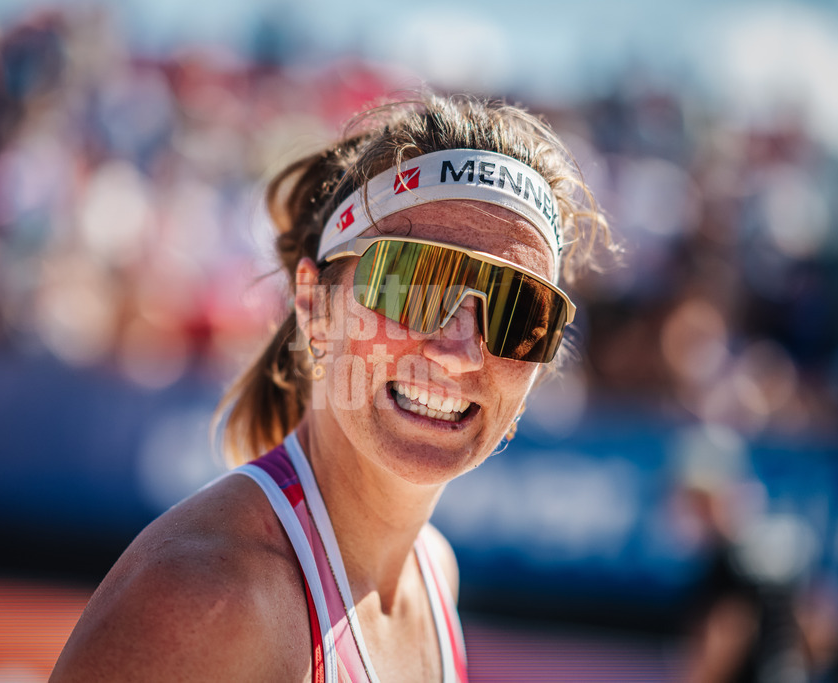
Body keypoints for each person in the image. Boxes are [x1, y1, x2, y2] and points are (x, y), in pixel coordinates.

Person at [50, 91, 610, 682]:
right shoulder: (212, 599)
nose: (458, 351)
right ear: (315, 306)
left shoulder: (433, 571)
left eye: (520, 311)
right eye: (412, 283)